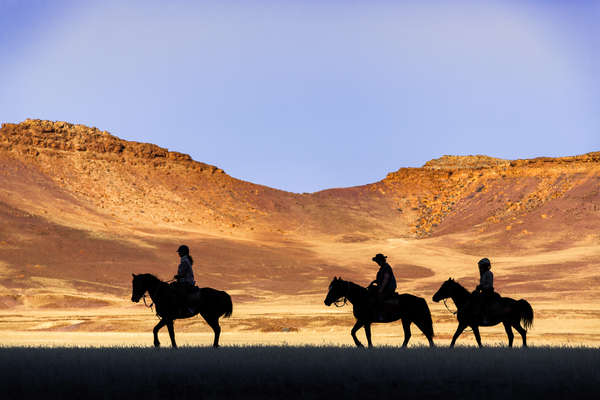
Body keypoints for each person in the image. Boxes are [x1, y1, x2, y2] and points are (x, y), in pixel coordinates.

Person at [369, 253, 397, 320]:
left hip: (389, 287)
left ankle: (381, 314)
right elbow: (381, 279)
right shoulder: (382, 268)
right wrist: (375, 282)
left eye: (377, 261)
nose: (377, 263)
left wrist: (381, 289)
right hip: (384, 286)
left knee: (379, 296)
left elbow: (386, 279)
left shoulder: (386, 267)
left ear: (380, 260)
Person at [172, 245, 197, 316]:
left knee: (179, 293)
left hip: (186, 281)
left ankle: (187, 308)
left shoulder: (184, 261)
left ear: (183, 252)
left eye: (179, 252)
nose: (178, 253)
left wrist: (178, 276)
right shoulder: (185, 260)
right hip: (185, 281)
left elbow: (183, 273)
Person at [473, 257, 495, 322]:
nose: (480, 268)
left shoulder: (488, 273)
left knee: (482, 302)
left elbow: (489, 284)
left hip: (488, 291)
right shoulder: (484, 274)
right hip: (484, 291)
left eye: (481, 266)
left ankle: (485, 317)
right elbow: (483, 284)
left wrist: (481, 287)